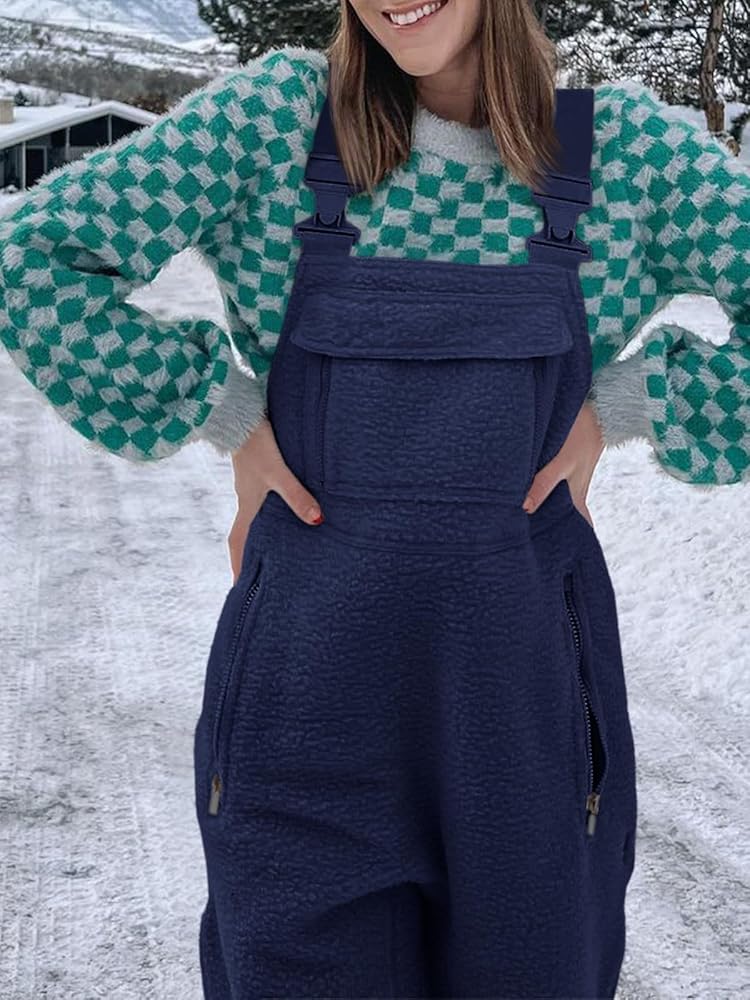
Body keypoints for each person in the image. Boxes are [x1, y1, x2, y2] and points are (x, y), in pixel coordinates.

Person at [0, 1, 747, 997]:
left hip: (527, 726)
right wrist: (222, 411)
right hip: (303, 712)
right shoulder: (273, 125)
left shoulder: (628, 158)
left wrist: (631, 401)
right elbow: (31, 259)